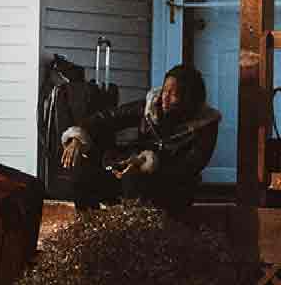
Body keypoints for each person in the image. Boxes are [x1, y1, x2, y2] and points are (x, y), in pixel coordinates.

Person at [58, 64, 221, 215]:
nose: (165, 97)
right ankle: (90, 227)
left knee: (133, 179)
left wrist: (147, 164)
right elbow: (107, 118)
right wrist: (78, 138)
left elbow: (189, 166)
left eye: (173, 94)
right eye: (165, 90)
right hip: (132, 174)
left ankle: (134, 233)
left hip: (173, 189)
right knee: (84, 170)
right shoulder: (151, 108)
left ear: (189, 98)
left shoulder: (205, 125)